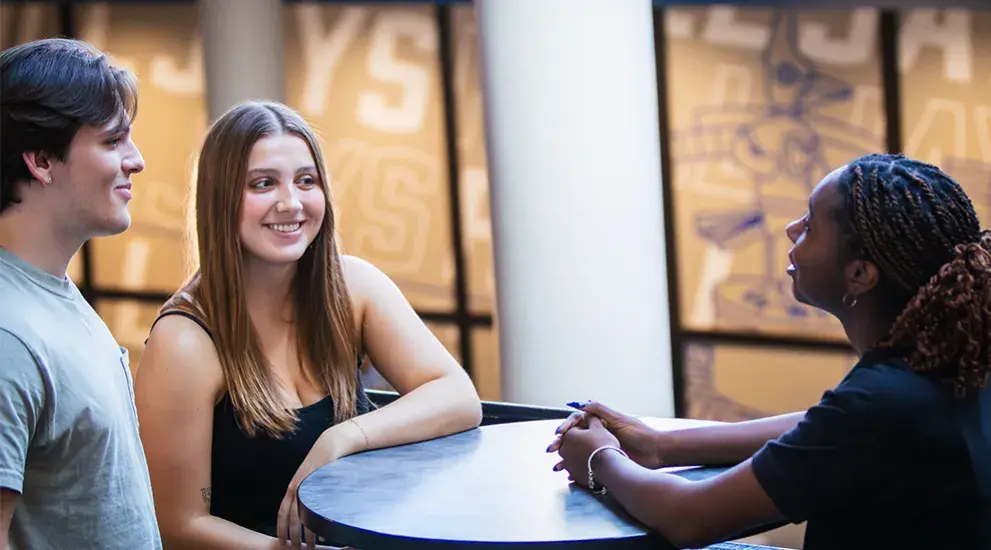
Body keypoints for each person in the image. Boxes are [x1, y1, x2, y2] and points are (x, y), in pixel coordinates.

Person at [549, 153, 991, 549]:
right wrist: (661, 446)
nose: (791, 229)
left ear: (859, 274)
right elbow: (822, 425)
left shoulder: (884, 400)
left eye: (811, 225)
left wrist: (597, 458)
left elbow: (690, 518)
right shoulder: (950, 358)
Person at [135, 100, 483, 549]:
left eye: (306, 180)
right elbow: (177, 526)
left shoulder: (354, 285)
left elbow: (458, 396)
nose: (291, 202)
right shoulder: (184, 341)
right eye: (263, 184)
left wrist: (343, 438)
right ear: (220, 199)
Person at [0, 38, 161, 549]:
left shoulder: (53, 294)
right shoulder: (8, 334)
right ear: (42, 160)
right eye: (113, 142)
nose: (135, 161)